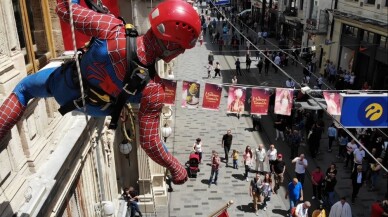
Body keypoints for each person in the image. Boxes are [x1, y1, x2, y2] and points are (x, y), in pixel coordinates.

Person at [0, 0, 201, 185]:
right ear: (170, 44)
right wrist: (174, 166)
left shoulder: (110, 27)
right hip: (95, 107)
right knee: (140, 117)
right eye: (180, 48)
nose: (181, 52)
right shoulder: (154, 90)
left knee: (24, 89)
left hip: (67, 85)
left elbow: (62, 8)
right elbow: (150, 142)